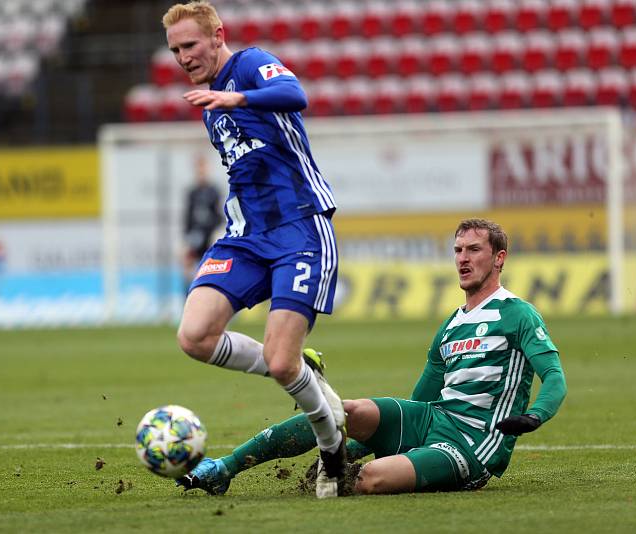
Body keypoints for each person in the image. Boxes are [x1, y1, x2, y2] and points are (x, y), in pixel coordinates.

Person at [178, 219, 568, 496]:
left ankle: (347, 473)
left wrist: (535, 415)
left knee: (368, 479)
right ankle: (224, 469)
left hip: (471, 443)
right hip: (435, 420)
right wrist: (354, 439)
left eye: (474, 250)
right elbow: (421, 399)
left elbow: (553, 376)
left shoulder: (517, 313)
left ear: (499, 258)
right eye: (458, 250)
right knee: (343, 411)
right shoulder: (452, 323)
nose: (463, 259)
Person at [162, 2, 346, 498]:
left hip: (298, 230)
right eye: (175, 49)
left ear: (217, 35)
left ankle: (332, 451)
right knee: (194, 336)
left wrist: (237, 99)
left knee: (283, 364)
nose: (182, 57)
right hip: (245, 236)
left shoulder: (249, 65)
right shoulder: (208, 104)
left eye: (190, 45)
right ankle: (304, 369)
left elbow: (294, 94)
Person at [182, 153, 223, 286]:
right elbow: (187, 218)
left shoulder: (214, 191)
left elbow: (220, 216)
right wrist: (185, 242)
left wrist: (216, 234)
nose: (201, 171)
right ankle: (188, 300)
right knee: (188, 272)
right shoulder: (192, 192)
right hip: (195, 239)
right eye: (199, 168)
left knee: (212, 273)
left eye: (203, 167)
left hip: (210, 238)